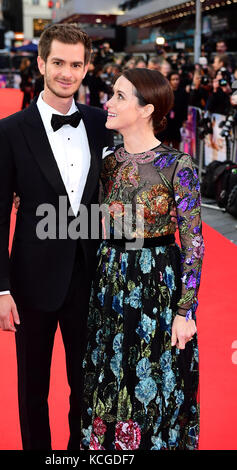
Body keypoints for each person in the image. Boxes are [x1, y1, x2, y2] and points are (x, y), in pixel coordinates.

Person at [0, 24, 113, 451]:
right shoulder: (9, 130)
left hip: (89, 278)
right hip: (31, 280)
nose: (67, 73)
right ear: (41, 63)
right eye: (58, 62)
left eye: (76, 64)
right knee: (33, 392)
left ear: (86, 68)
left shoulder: (100, 123)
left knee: (86, 388)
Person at [81, 68, 204, 450]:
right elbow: (87, 216)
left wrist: (185, 312)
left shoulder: (177, 166)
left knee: (151, 378)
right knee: (107, 375)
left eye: (119, 96)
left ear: (146, 108)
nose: (109, 103)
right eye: (112, 94)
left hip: (156, 283)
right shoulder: (107, 162)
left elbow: (194, 243)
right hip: (109, 281)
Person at [157, 72, 189, 150]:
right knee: (165, 144)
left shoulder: (183, 92)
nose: (175, 81)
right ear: (169, 81)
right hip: (166, 122)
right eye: (173, 79)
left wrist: (184, 121)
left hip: (177, 122)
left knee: (176, 145)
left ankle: (175, 161)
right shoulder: (165, 92)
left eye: (177, 79)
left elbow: (185, 107)